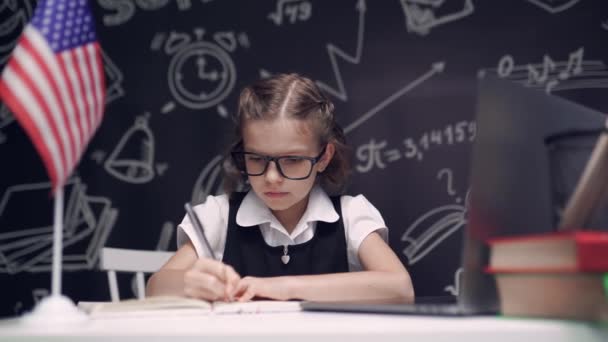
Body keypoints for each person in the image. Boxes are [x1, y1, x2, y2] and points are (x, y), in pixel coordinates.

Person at [146, 73, 414, 303]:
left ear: (323, 157)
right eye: (257, 159)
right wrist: (193, 283)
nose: (272, 177)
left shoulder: (351, 215)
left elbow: (401, 288)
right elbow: (155, 287)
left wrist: (286, 287)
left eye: (293, 160)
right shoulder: (218, 214)